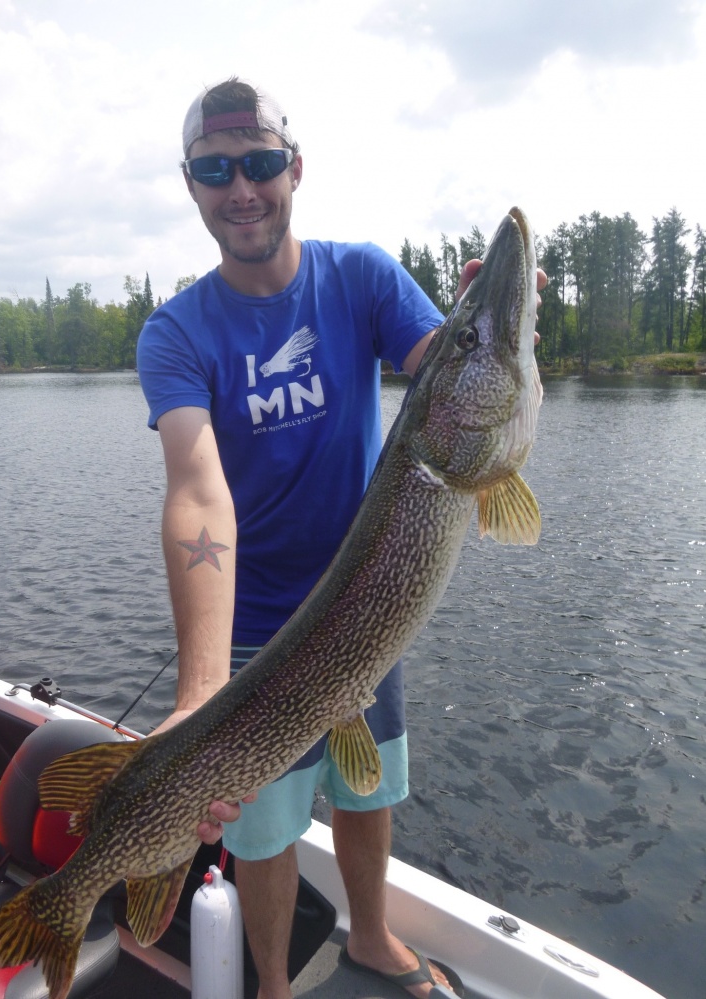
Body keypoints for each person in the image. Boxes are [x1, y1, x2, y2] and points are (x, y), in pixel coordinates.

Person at [137, 77, 540, 999]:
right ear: (192, 185)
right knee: (269, 824)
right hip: (255, 632)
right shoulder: (175, 332)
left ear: (294, 168)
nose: (243, 187)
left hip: (369, 603)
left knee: (370, 787)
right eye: (216, 169)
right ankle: (273, 985)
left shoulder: (359, 275)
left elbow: (446, 389)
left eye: (262, 163)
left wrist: (490, 328)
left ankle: (367, 934)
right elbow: (197, 493)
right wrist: (201, 689)